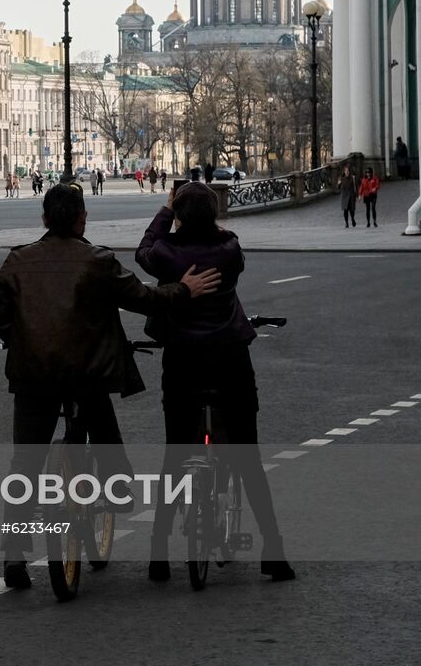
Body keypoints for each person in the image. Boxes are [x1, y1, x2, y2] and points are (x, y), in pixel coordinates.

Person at [0, 183, 221, 588]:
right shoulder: (98, 261)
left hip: (33, 375)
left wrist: (24, 343)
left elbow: (1, 315)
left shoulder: (17, 261)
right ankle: (117, 487)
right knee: (102, 421)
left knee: (24, 461)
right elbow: (143, 298)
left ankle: (13, 554)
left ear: (45, 219)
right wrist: (185, 289)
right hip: (86, 373)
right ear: (82, 219)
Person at [135, 182, 296, 582]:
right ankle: (273, 550)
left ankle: (158, 553)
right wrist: (209, 224)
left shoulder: (166, 253)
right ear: (214, 216)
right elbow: (229, 244)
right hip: (229, 359)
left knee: (175, 454)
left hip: (183, 360)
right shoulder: (229, 249)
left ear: (180, 216)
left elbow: (143, 250)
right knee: (248, 457)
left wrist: (165, 212)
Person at [338, 163, 358, 229]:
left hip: (351, 195)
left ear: (349, 171)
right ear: (344, 172)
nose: (347, 172)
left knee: (352, 210)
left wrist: (357, 195)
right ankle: (346, 223)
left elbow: (356, 186)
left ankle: (352, 219)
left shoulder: (353, 178)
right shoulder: (341, 178)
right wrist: (339, 184)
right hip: (344, 196)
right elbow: (338, 188)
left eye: (348, 171)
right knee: (345, 210)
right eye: (346, 171)